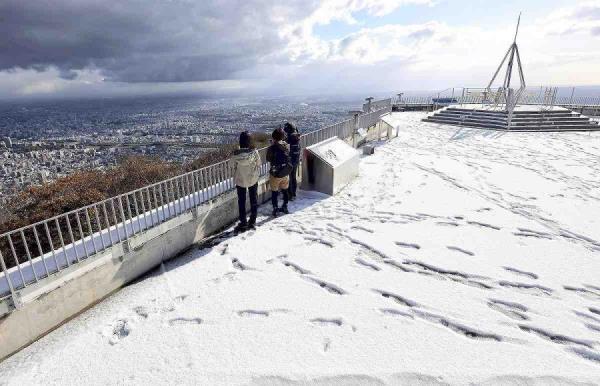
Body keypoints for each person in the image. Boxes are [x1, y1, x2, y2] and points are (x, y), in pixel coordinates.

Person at [232, 131, 261, 232]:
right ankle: (252, 221)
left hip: (240, 180)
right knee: (254, 200)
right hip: (252, 179)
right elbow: (259, 164)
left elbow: (232, 166)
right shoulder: (254, 152)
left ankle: (243, 222)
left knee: (242, 201)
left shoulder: (236, 155)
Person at [266, 127, 292, 217]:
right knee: (285, 190)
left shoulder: (272, 148)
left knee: (274, 192)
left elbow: (268, 159)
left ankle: (275, 208)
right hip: (285, 172)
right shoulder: (287, 146)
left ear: (273, 137)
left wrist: (272, 146)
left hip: (275, 174)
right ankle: (285, 206)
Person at [283, 122, 301, 201]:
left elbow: (285, 147)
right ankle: (294, 193)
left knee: (289, 177)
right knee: (293, 177)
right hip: (296, 159)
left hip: (290, 160)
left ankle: (289, 194)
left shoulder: (290, 137)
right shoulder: (297, 136)